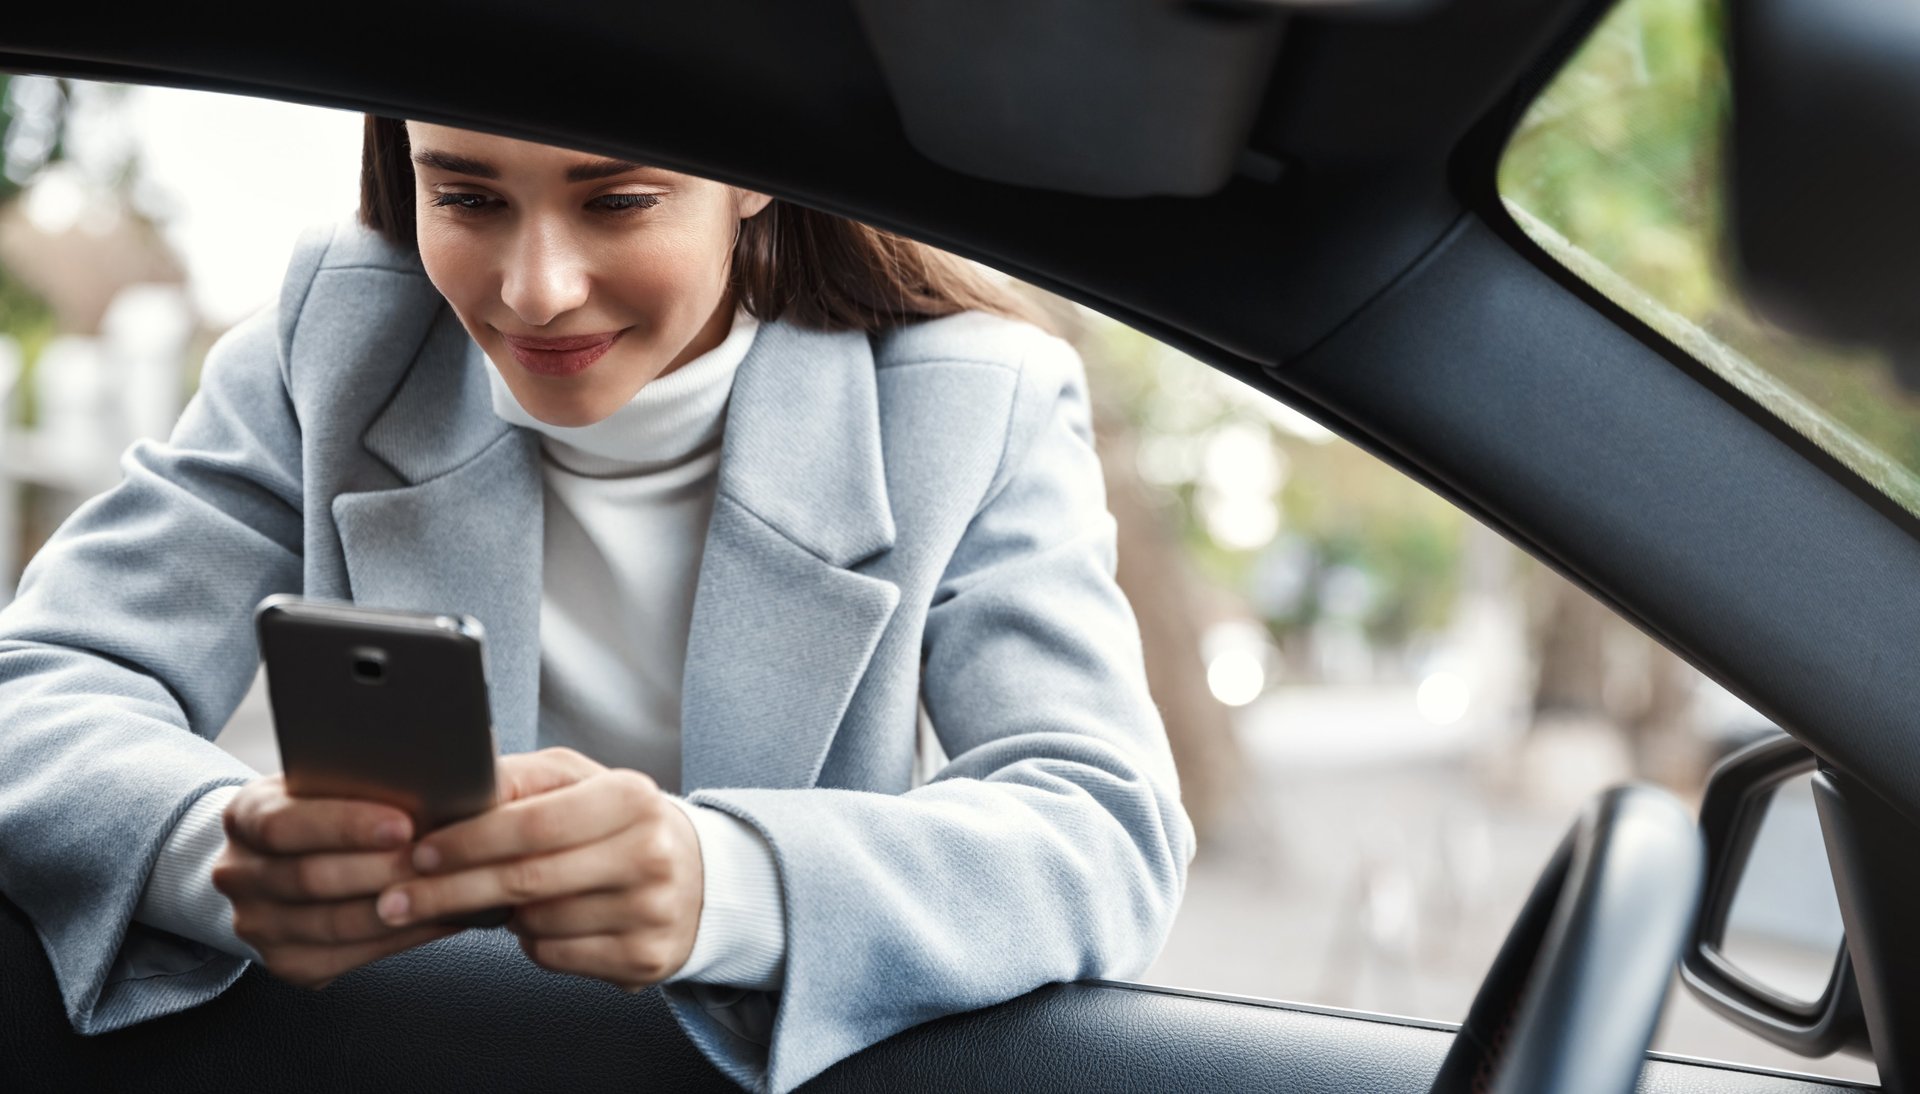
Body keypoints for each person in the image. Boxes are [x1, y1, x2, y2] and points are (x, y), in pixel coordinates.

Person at [0, 116, 1195, 1093]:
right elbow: (37, 689)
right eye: (466, 199)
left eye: (617, 200)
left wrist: (720, 877)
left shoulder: (975, 400)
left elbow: (1104, 828)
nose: (537, 290)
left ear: (756, 180)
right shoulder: (338, 336)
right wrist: (214, 850)